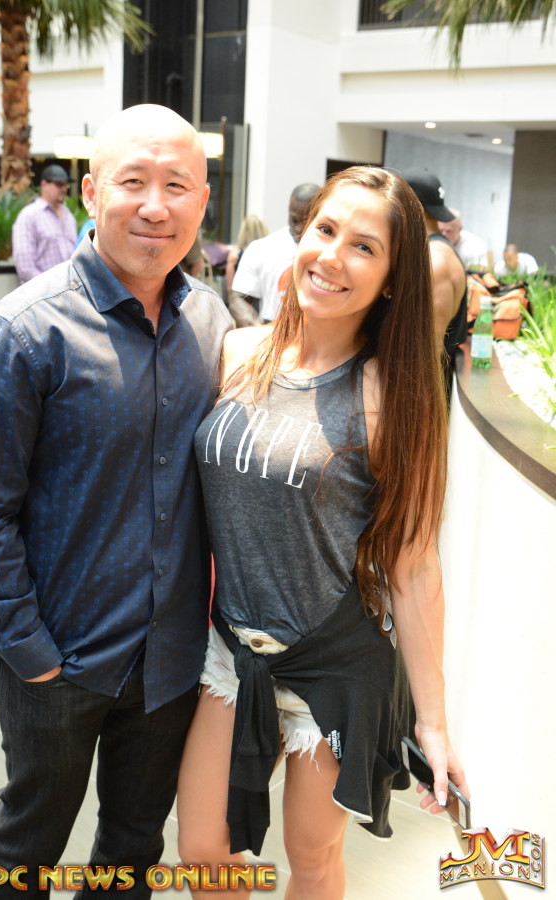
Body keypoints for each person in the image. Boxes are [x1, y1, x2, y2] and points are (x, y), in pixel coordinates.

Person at [0, 104, 232, 898]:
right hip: (61, 656)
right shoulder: (22, 331)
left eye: (176, 185)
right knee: (26, 845)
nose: (155, 206)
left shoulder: (211, 321)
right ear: (89, 191)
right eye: (133, 181)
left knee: (132, 846)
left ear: (202, 200)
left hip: (171, 658)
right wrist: (29, 650)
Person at [177, 166, 469, 900]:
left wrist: (434, 724)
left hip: (336, 663)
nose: (333, 256)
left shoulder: (392, 397)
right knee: (203, 850)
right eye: (327, 230)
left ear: (393, 281)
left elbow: (414, 566)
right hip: (235, 649)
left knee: (311, 857)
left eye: (364, 247)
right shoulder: (237, 353)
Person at [402, 169, 468, 392]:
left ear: (412, 207)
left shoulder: (435, 260)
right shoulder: (430, 251)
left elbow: (430, 349)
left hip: (420, 391)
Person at [231, 182, 319, 323]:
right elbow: (238, 299)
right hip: (271, 327)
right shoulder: (261, 249)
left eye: (306, 221)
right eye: (294, 220)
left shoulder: (332, 255)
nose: (298, 228)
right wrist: (256, 328)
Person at [12, 163, 78, 282]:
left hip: (71, 289)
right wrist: (52, 287)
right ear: (44, 185)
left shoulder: (68, 215)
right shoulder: (29, 216)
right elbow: (25, 268)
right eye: (59, 184)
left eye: (66, 185)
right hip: (41, 291)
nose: (64, 189)